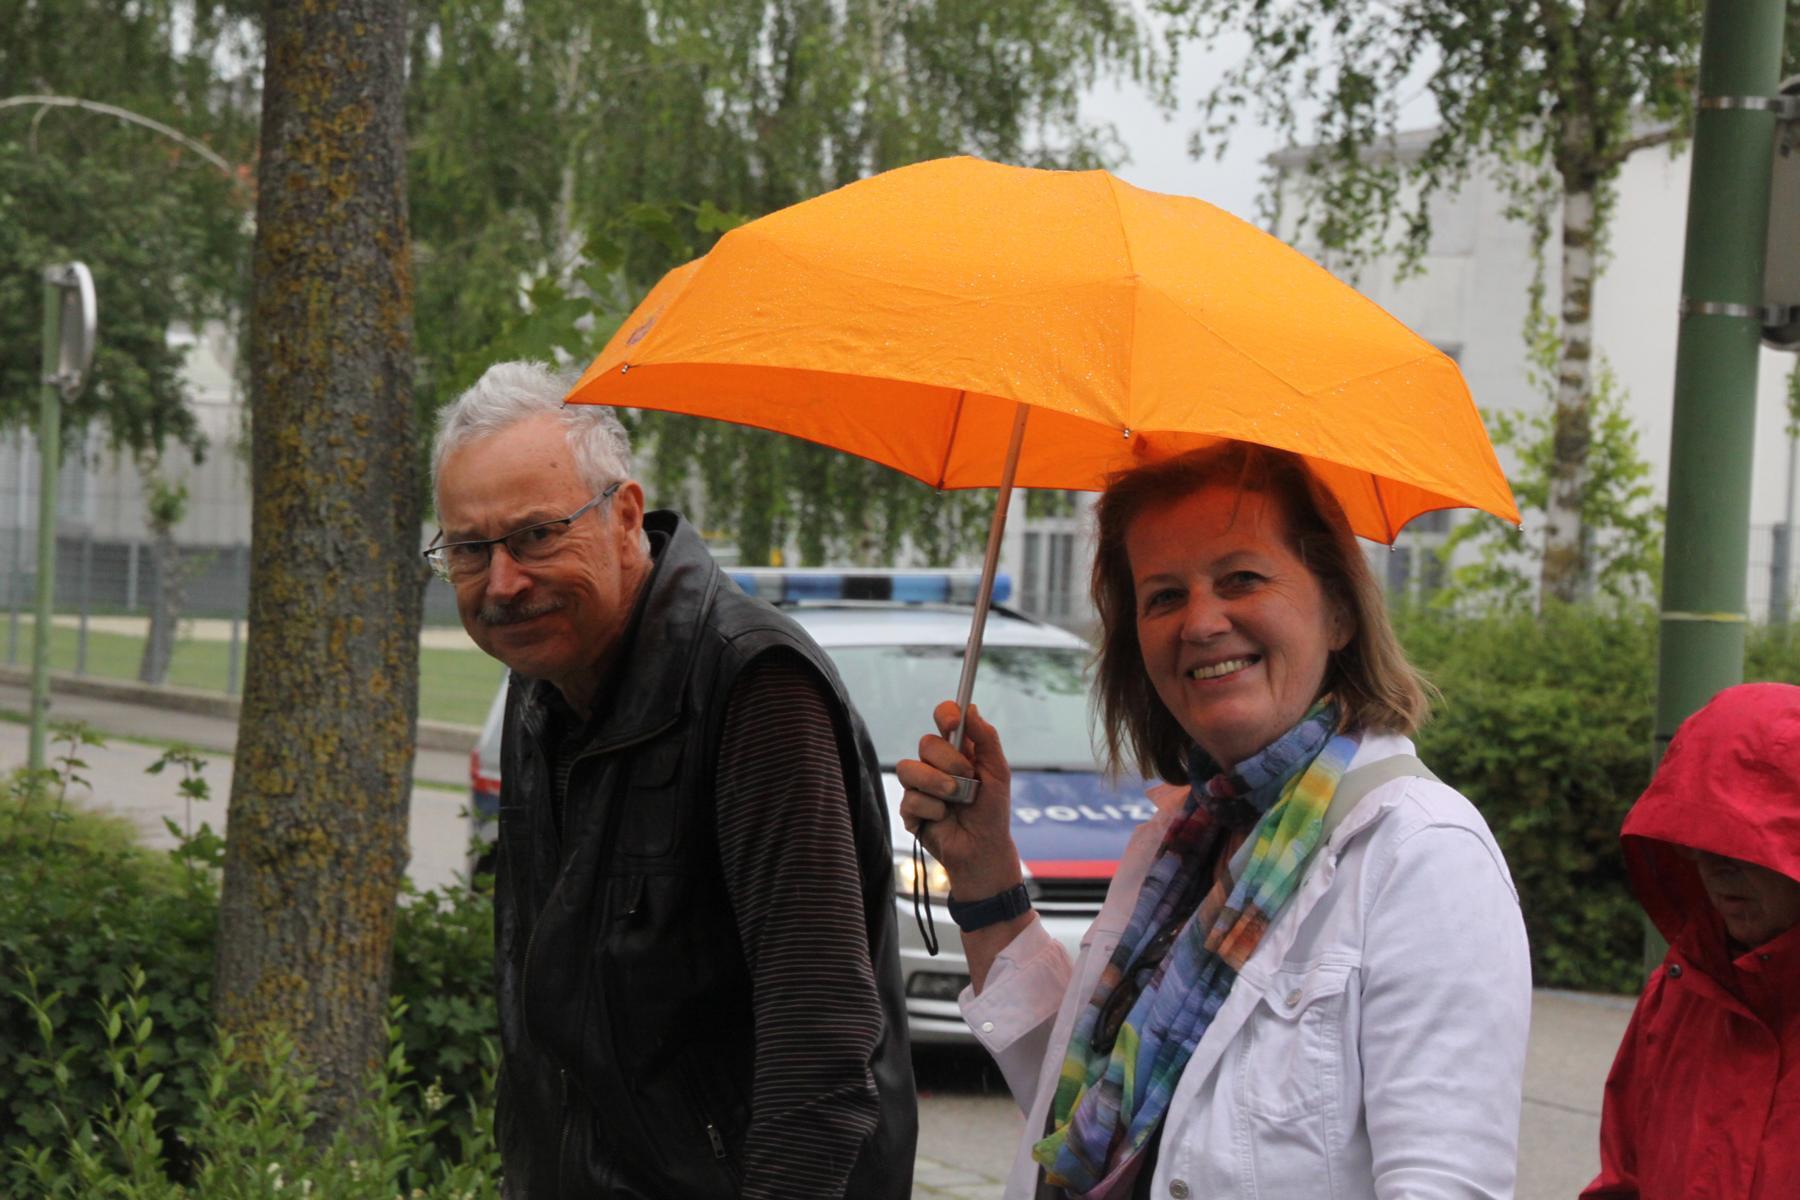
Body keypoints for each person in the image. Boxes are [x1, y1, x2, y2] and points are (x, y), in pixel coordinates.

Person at [899, 442, 1532, 1199]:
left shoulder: (1421, 854)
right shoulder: (1177, 846)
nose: (1200, 623)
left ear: (1337, 611)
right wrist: (985, 877)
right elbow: (1085, 1112)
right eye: (1164, 596)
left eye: (1241, 579)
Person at [428, 361, 916, 1199]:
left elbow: (822, 1045)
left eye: (537, 535)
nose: (503, 582)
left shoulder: (752, 688)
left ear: (624, 516)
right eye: (470, 549)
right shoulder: (543, 685)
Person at [1583, 682, 1800, 1200]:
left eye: (1742, 846)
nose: (1715, 870)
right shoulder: (1678, 995)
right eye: (1697, 843)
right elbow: (1624, 1181)